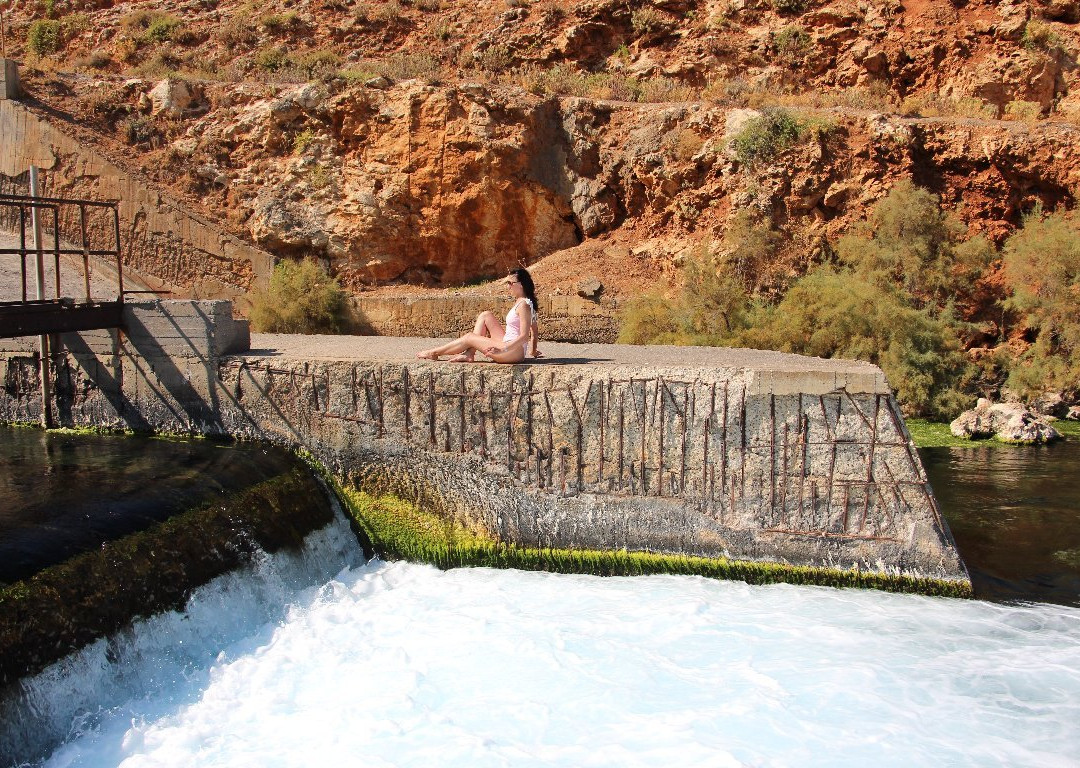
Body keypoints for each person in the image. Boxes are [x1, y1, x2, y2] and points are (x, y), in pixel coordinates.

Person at [417, 268, 541, 363]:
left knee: (469, 337)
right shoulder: (526, 302)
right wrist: (533, 351)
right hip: (509, 346)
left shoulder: (524, 305)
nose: (508, 286)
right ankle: (470, 353)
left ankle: (434, 353)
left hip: (512, 352)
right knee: (485, 315)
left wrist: (503, 349)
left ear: (520, 284)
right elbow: (534, 331)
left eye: (510, 283)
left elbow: (524, 336)